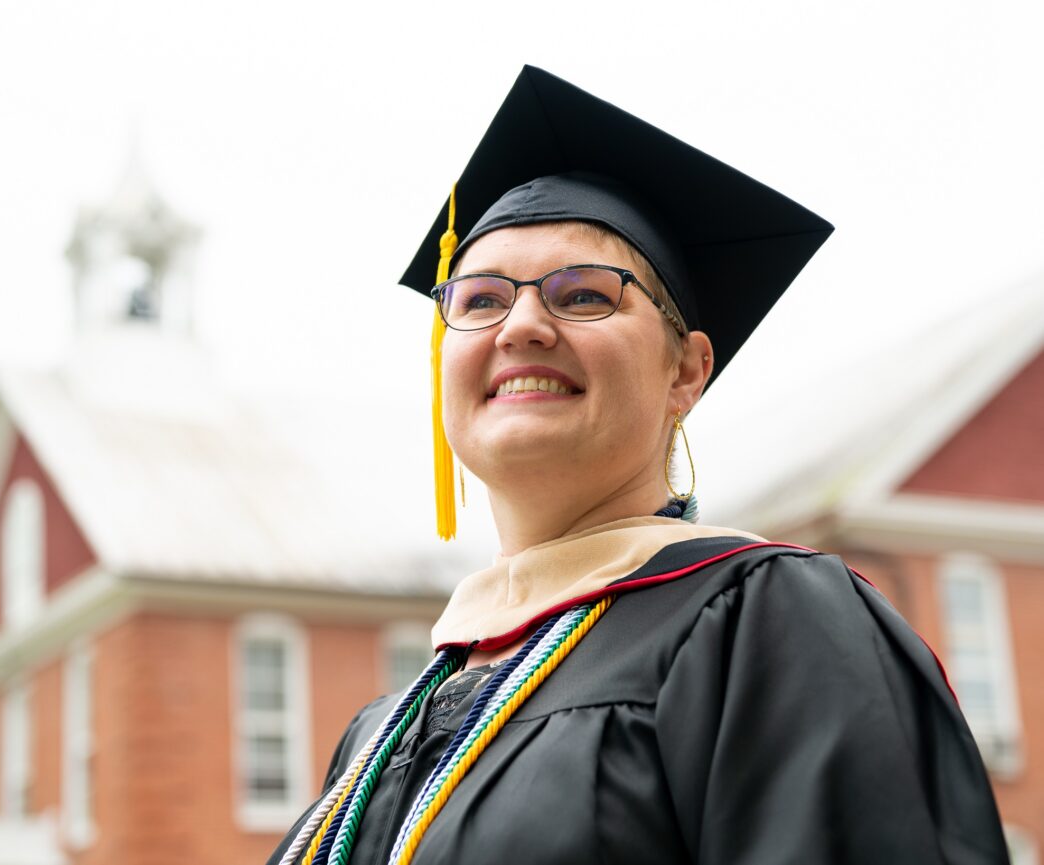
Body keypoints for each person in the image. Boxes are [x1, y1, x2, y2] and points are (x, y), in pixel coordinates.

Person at [268, 67, 1009, 865]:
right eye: (479, 299)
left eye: (583, 295)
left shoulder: (770, 622)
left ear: (686, 372)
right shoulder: (379, 735)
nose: (520, 325)